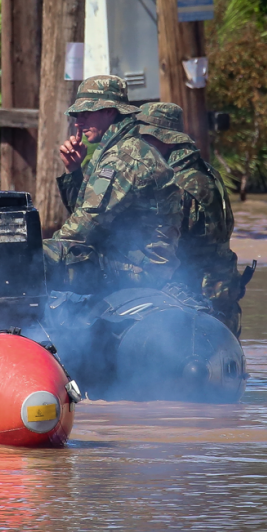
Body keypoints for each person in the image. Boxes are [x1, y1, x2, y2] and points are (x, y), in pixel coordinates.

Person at [43, 75, 183, 295]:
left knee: (42, 262)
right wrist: (73, 171)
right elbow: (84, 214)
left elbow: (83, 227)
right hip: (124, 259)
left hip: (142, 270)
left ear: (109, 111)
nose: (79, 122)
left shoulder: (124, 157)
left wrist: (36, 255)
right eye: (77, 115)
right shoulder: (117, 149)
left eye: (86, 114)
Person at [136, 102, 246, 336]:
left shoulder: (175, 183)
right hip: (223, 302)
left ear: (164, 140)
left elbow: (160, 248)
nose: (141, 147)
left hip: (195, 307)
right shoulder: (206, 172)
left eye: (146, 139)